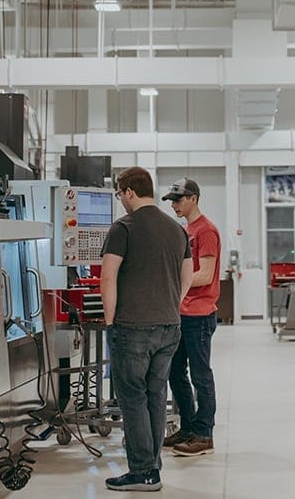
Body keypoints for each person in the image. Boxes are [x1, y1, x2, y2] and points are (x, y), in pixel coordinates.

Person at [100, 167, 193, 492]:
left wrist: (111, 322)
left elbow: (108, 277)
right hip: (169, 326)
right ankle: (152, 468)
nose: (120, 200)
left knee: (133, 399)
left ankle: (142, 471)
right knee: (156, 396)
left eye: (119, 194)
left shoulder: (123, 227)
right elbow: (187, 276)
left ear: (128, 191)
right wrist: (171, 305)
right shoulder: (177, 229)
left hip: (133, 327)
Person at [160, 178, 221, 457]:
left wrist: (173, 281)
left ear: (193, 198)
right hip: (182, 313)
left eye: (179, 199)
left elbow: (206, 275)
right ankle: (188, 426)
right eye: (172, 200)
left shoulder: (206, 231)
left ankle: (204, 434)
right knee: (175, 372)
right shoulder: (187, 230)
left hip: (199, 315)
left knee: (200, 375)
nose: (174, 205)